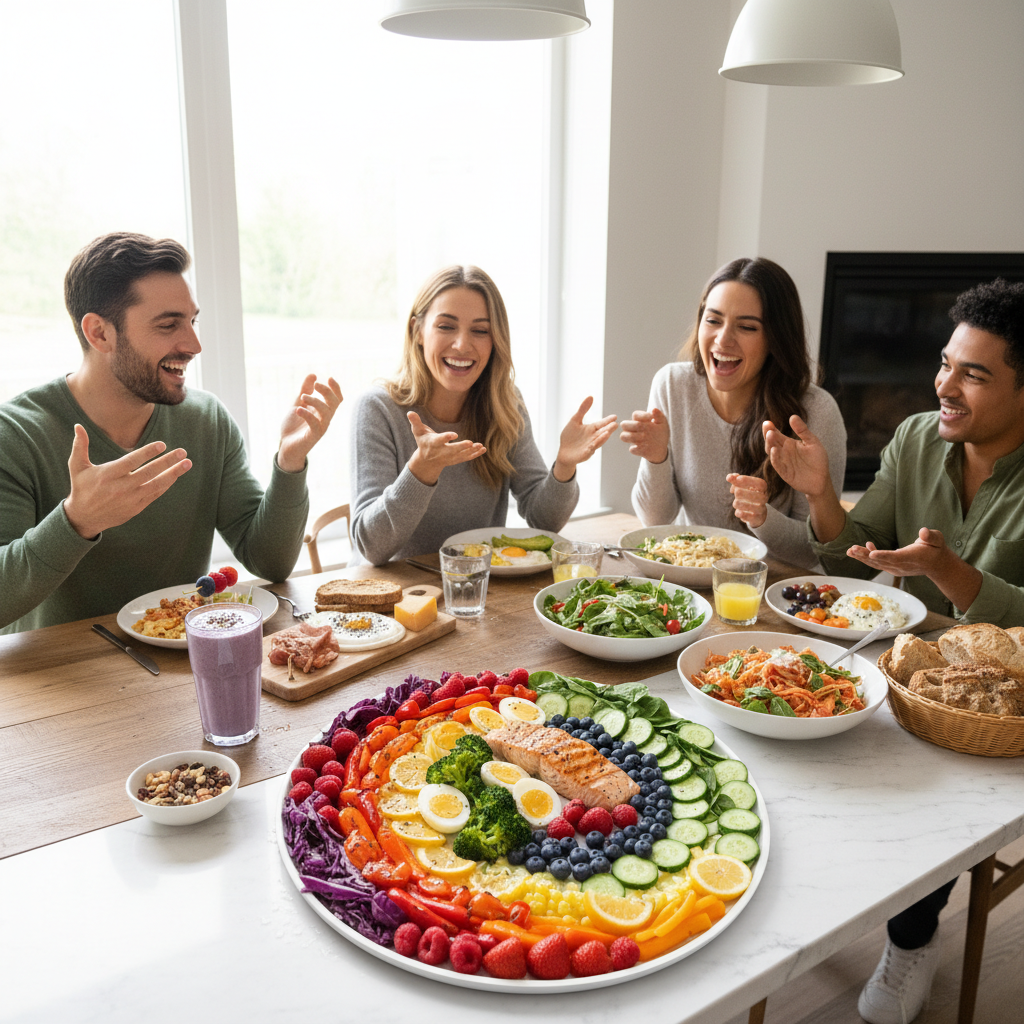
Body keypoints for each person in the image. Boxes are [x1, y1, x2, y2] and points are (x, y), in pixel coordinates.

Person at [765, 277, 1024, 1024]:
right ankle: (808, 895)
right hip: (903, 672)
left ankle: (911, 940)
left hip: (1000, 714)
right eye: (946, 363)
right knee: (795, 721)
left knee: (927, 789)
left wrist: (950, 572)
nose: (945, 384)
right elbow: (855, 565)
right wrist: (820, 499)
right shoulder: (915, 437)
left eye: (974, 373)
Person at [0, 232, 343, 634]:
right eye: (168, 325)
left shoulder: (206, 420)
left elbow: (270, 561)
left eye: (192, 321)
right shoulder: (16, 435)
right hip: (59, 683)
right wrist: (77, 520)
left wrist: (289, 461)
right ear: (99, 333)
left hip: (181, 666)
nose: (194, 344)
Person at [350, 265, 617, 565]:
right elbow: (371, 548)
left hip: (475, 590)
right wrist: (421, 470)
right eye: (446, 326)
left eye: (480, 330)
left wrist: (564, 466)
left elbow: (544, 521)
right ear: (417, 331)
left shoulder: (505, 404)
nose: (462, 344)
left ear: (495, 341)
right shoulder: (377, 409)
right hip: (394, 599)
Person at [620, 257, 846, 568]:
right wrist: (656, 458)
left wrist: (763, 518)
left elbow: (812, 554)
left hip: (772, 589)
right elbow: (655, 521)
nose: (723, 339)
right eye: (713, 320)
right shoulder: (672, 385)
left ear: (776, 339)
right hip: (690, 579)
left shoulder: (816, 413)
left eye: (747, 327)